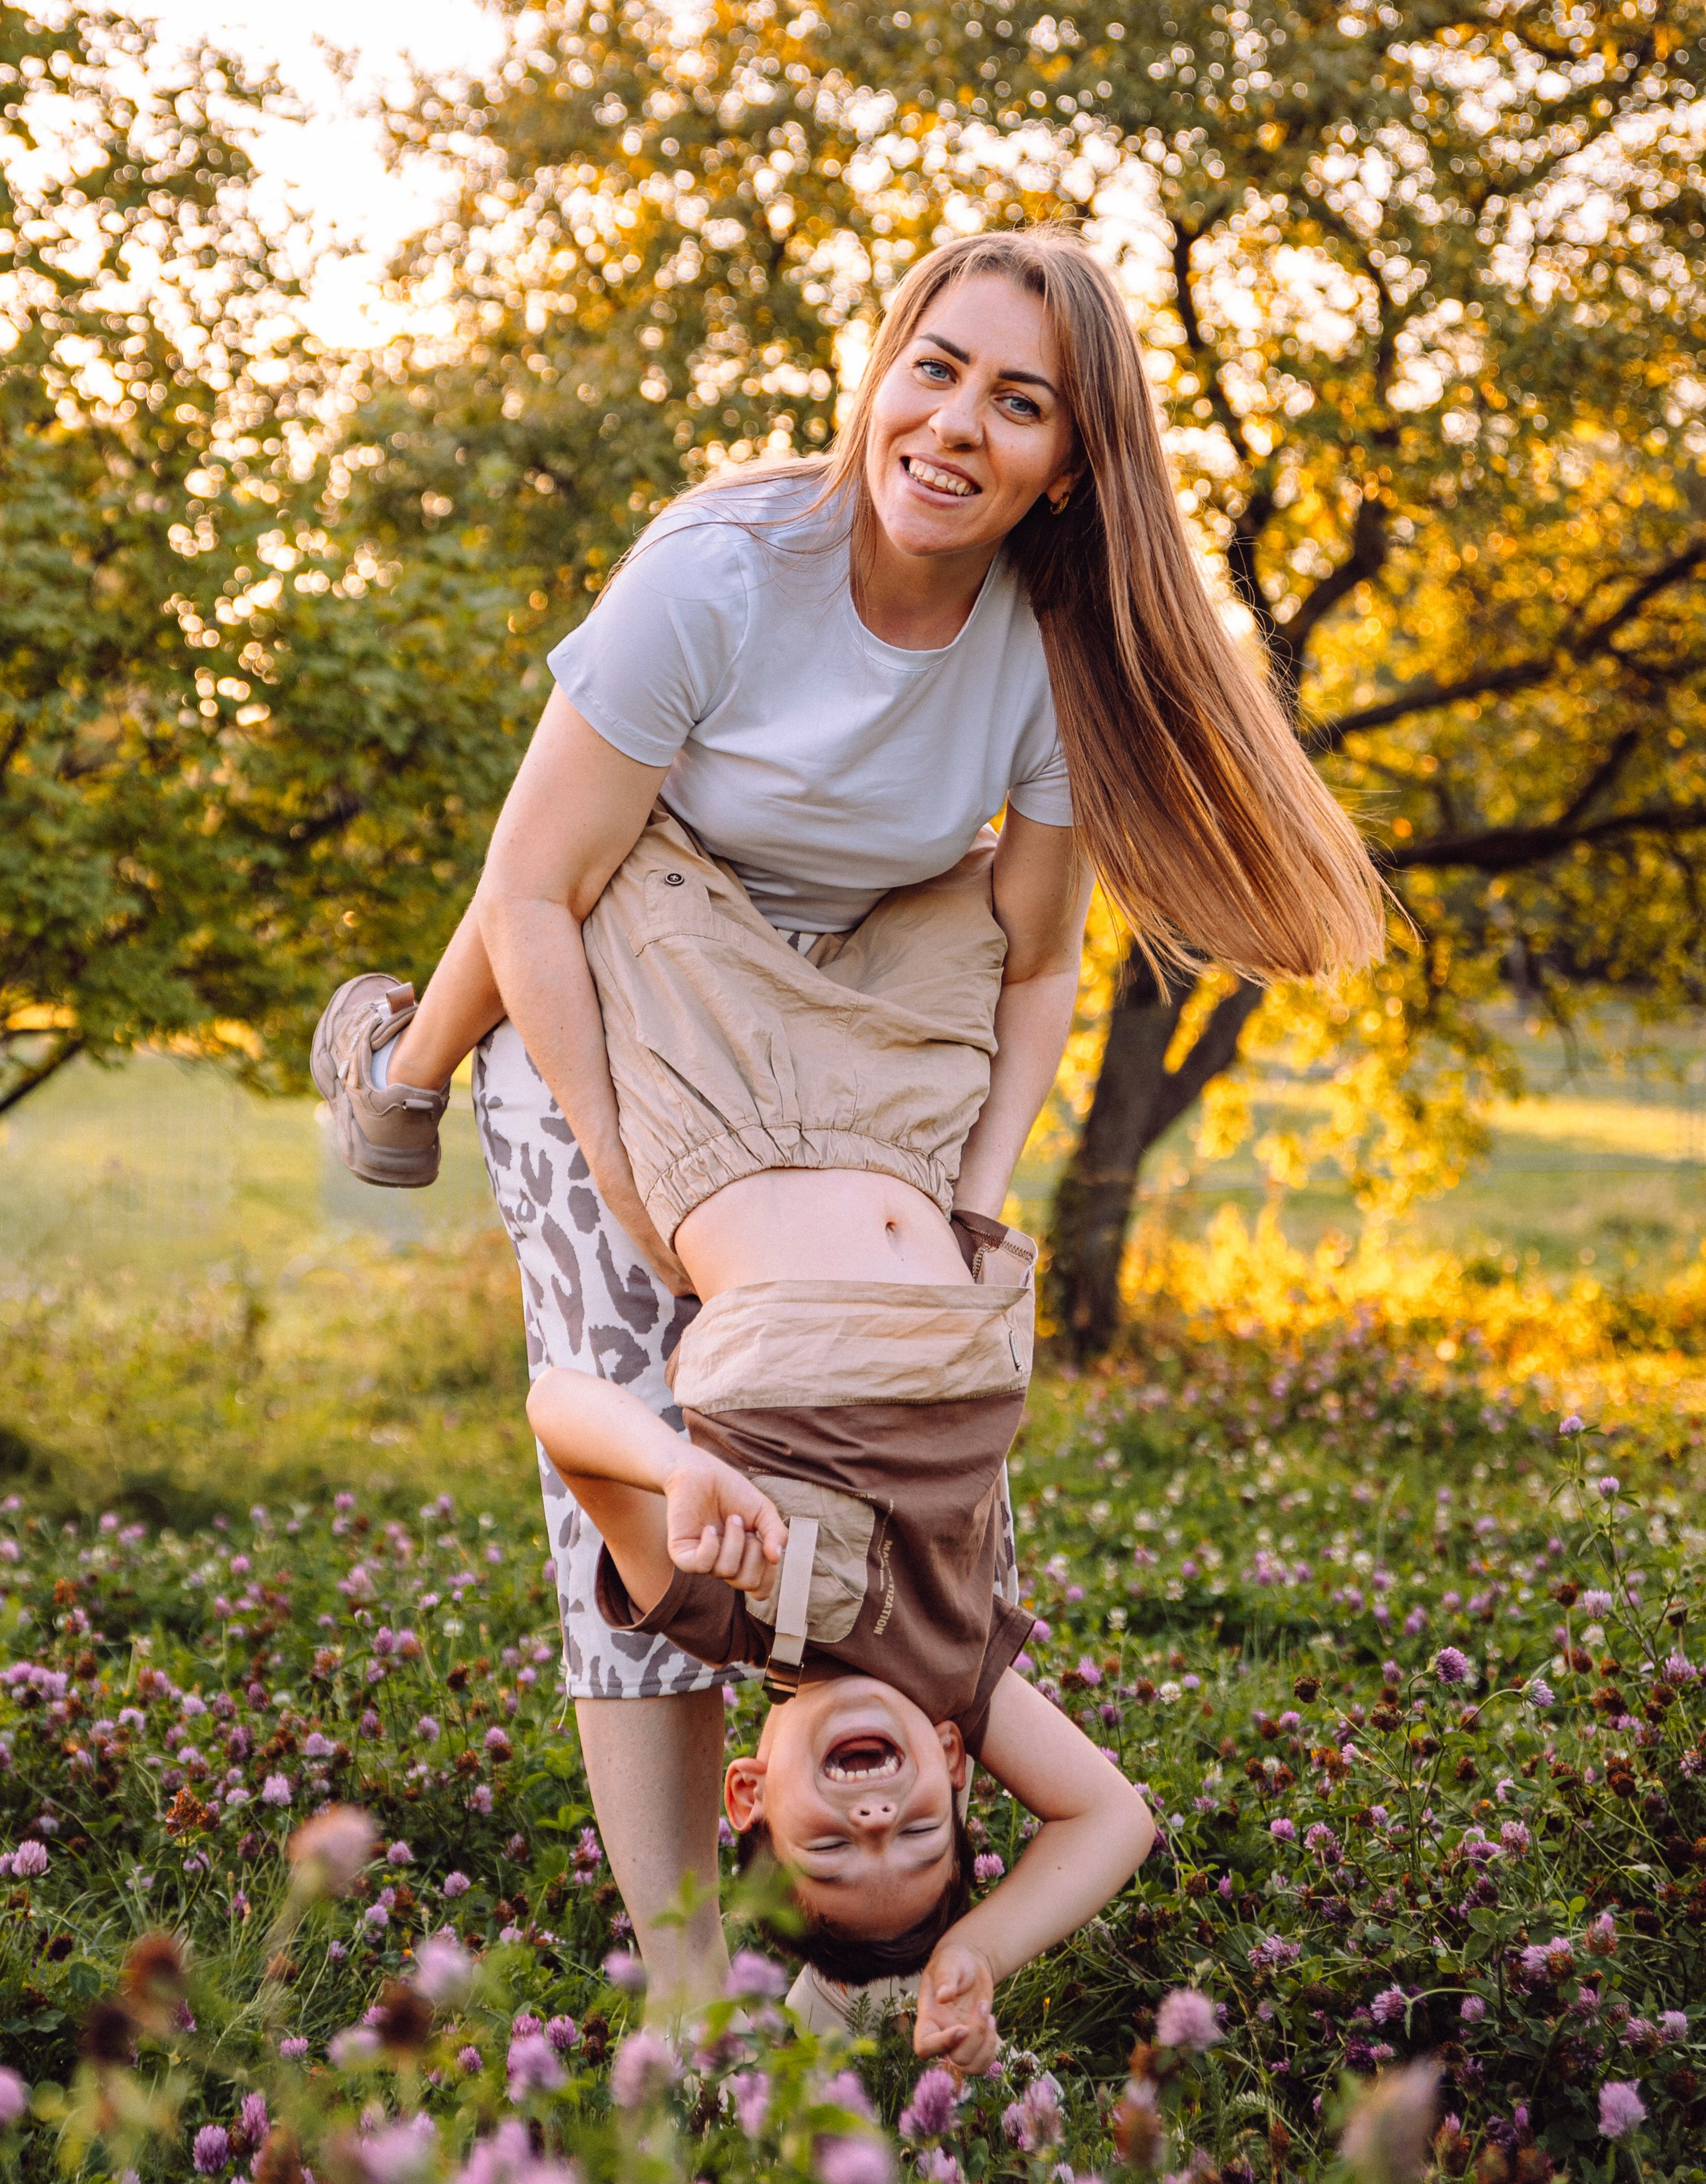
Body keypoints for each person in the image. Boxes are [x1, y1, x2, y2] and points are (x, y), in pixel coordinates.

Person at [312, 227, 1383, 2014]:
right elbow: (527, 896)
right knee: (644, 1369)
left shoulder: (1043, 644)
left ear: (1067, 466)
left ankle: (401, 1069)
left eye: (1017, 401)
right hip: (625, 939)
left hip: (871, 982)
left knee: (820, 1428)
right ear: (877, 372)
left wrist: (970, 1201)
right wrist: (648, 1197)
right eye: (933, 365)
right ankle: (678, 1969)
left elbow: (1031, 958)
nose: (955, 422)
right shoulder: (721, 569)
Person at [523, 808, 1156, 2065]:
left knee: (600, 839)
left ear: (746, 1795)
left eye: (832, 1842)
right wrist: (975, 1951)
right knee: (1034, 853)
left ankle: (400, 1061)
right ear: (952, 1767)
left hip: (731, 1110)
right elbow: (1112, 1822)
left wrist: (671, 1461)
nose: (877, 1816)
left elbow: (556, 1410)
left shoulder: (727, 1611)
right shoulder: (960, 1679)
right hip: (914, 1124)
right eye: (918, 1838)